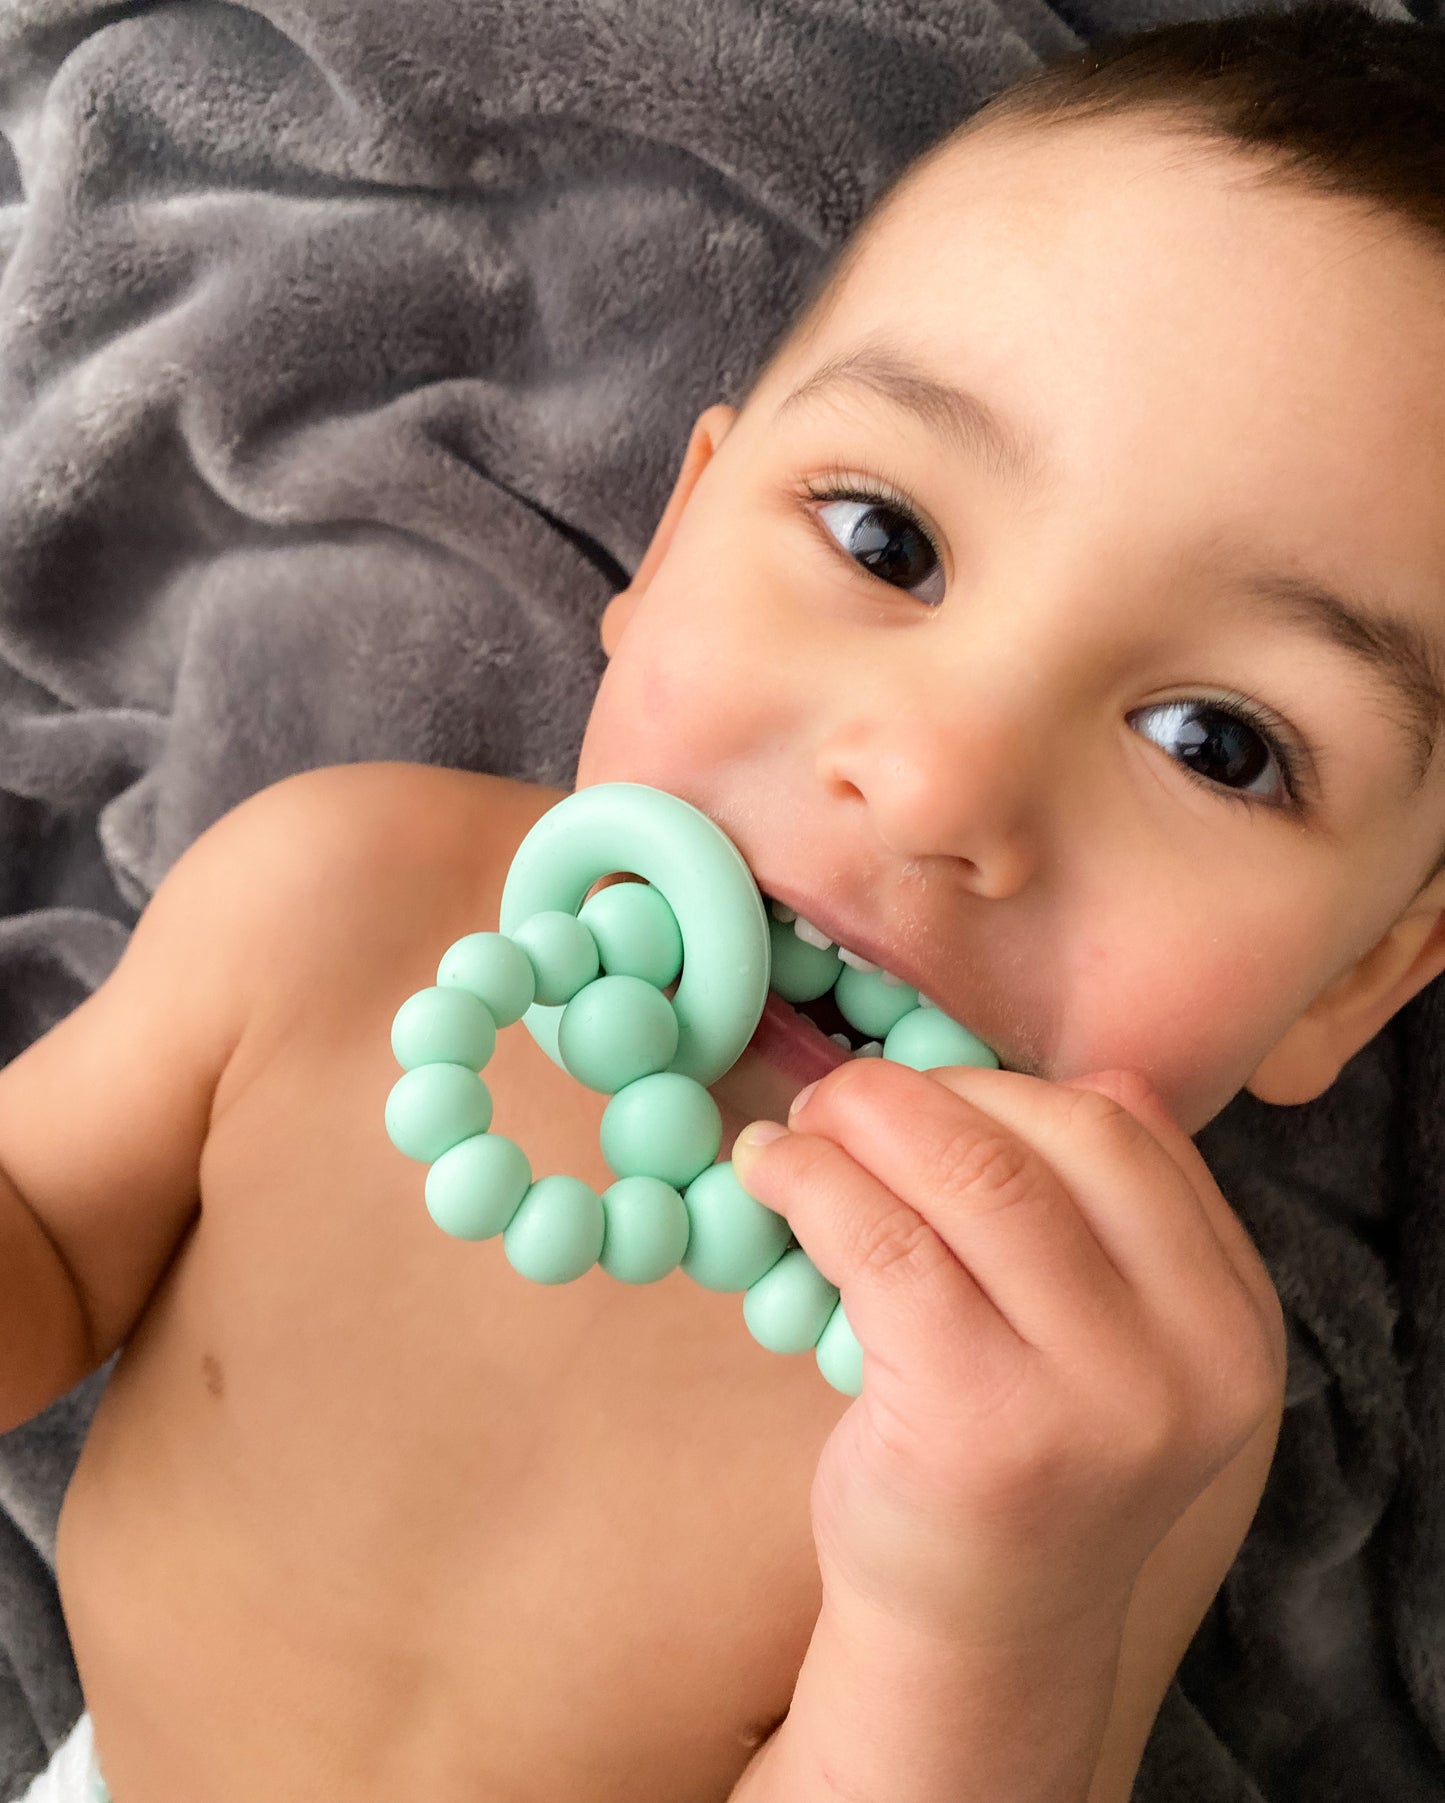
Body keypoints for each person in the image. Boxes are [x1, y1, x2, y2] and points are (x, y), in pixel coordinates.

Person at [2, 1, 1444, 1796]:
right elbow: (44, 1240)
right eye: (882, 543)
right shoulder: (332, 900)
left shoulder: (1098, 1419)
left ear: (1353, 984)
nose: (932, 783)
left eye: (1215, 742)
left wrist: (977, 1610)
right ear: (675, 540)